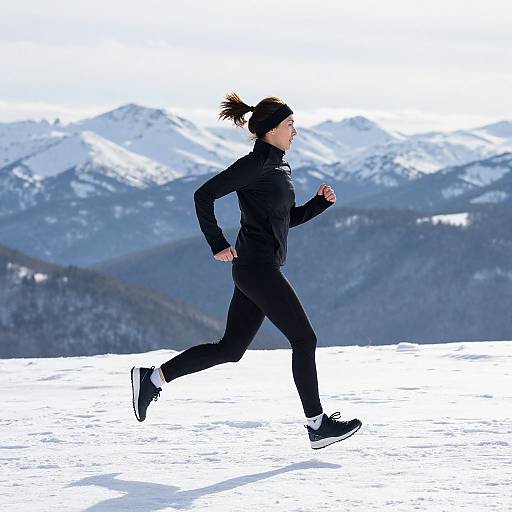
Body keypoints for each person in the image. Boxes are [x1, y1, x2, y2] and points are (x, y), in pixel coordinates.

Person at [131, 92, 362, 449]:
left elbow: (283, 221)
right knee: (305, 339)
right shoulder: (254, 165)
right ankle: (316, 425)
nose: (295, 132)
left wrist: (318, 205)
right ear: (270, 130)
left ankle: (153, 379)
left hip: (257, 270)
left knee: (230, 349)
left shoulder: (280, 167)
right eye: (289, 125)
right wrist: (217, 243)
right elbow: (203, 195)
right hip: (257, 270)